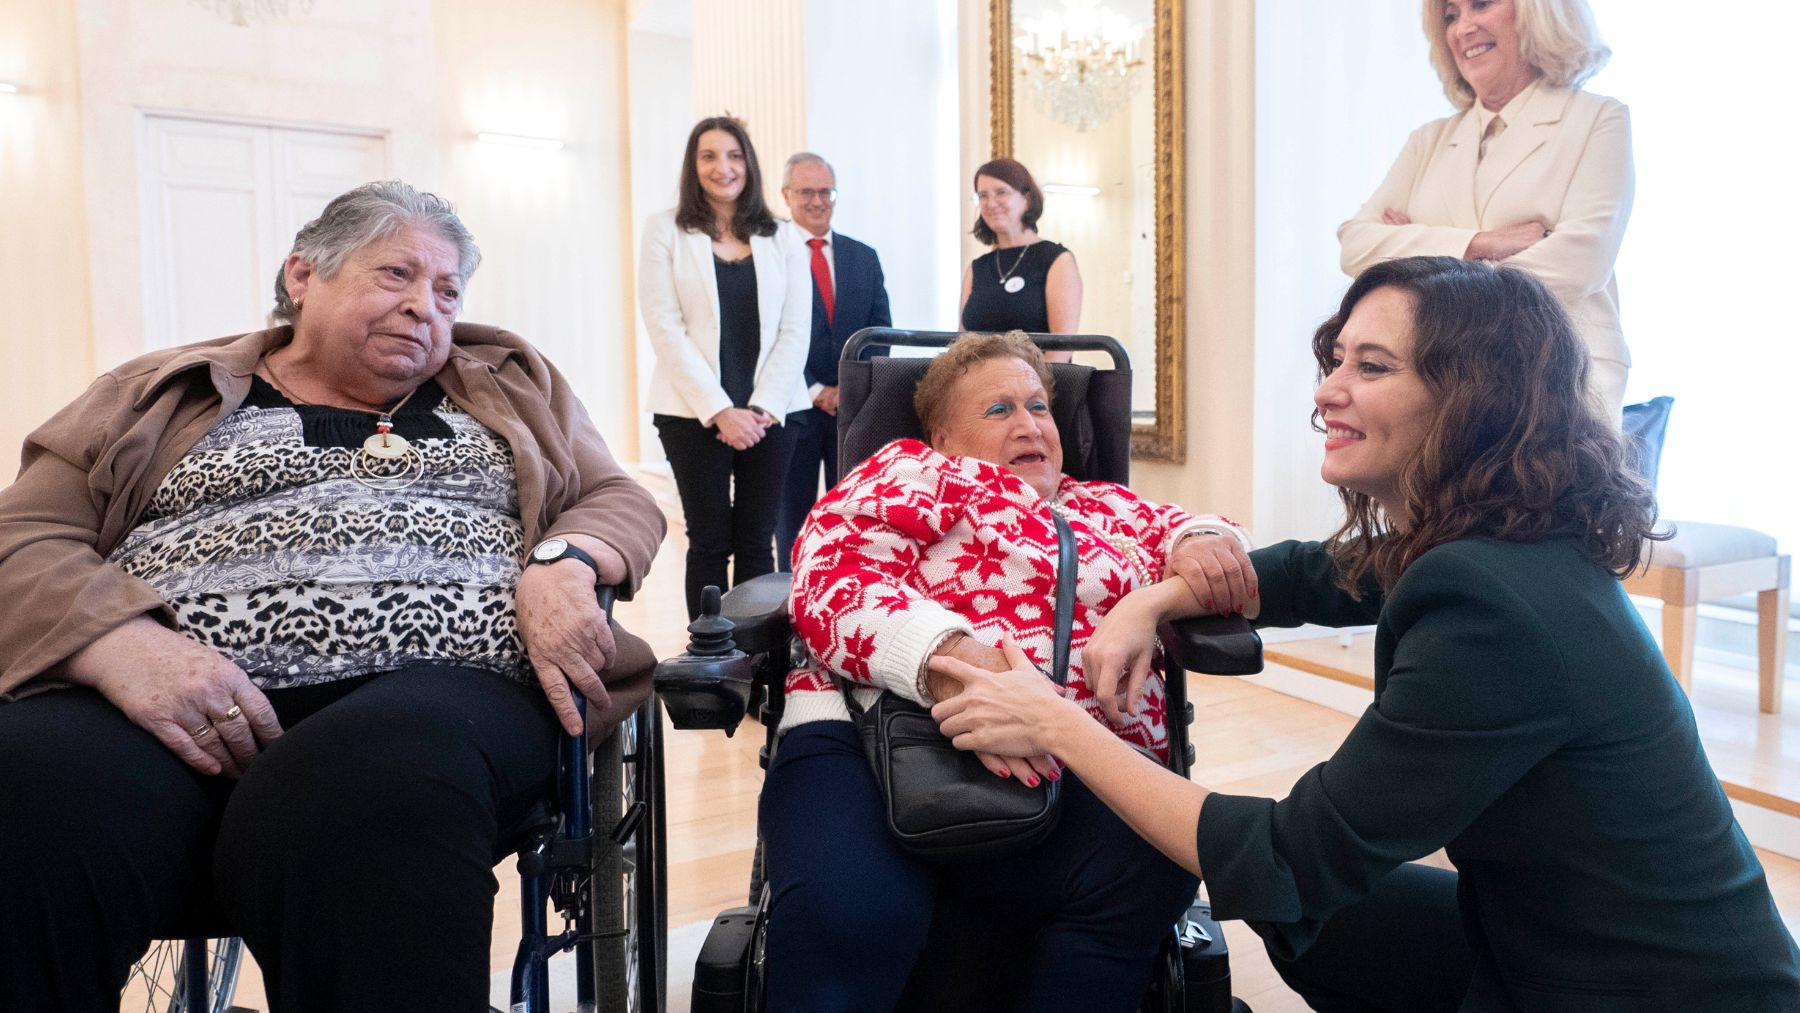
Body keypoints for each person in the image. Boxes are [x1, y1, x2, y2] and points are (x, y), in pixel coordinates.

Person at [931, 258, 1800, 1011]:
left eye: (1372, 365)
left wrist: (1056, 723)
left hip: (1647, 990)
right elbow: (1321, 570)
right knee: (1324, 927)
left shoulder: (1493, 603)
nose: (1327, 389)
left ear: (1472, 400)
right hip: (1547, 928)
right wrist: (1152, 598)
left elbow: (1285, 857)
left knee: (1293, 893)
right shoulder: (1499, 538)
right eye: (1336, 357)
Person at [0, 181, 666, 1012]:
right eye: (397, 275)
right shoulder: (156, 392)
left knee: (374, 779)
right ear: (303, 274)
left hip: (439, 699)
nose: (425, 307)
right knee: (25, 778)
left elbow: (619, 498)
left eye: (447, 291)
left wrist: (565, 560)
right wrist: (121, 645)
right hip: (161, 704)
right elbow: (21, 537)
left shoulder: (506, 384)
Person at [760, 330, 1252, 1012]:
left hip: (1066, 762)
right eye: (999, 410)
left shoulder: (1108, 508)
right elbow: (832, 576)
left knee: (1154, 867)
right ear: (940, 433)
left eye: (1038, 407)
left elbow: (1214, 539)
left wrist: (1197, 546)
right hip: (871, 739)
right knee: (854, 914)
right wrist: (964, 670)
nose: (1029, 424)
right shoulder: (909, 472)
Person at [1338, 0, 1633, 416]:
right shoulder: (1429, 140)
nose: (1463, 29)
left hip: (1559, 372)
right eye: (1451, 16)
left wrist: (1418, 259)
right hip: (1441, 374)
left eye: (1481, 5)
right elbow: (1355, 245)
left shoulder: (1597, 119)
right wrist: (1483, 243)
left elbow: (1582, 260)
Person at [640, 115, 811, 618]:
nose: (724, 167)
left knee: (759, 540)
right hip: (691, 413)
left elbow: (794, 329)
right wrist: (721, 411)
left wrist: (758, 408)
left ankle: (755, 661)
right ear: (694, 166)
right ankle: (708, 663)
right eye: (709, 156)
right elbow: (664, 327)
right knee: (710, 539)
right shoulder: (665, 230)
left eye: (734, 155)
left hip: (773, 414)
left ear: (749, 164)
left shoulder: (782, 236)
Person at [773, 152, 892, 571]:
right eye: (807, 191)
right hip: (793, 408)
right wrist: (813, 388)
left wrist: (848, 388)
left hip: (852, 412)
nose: (818, 201)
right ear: (786, 195)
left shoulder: (864, 257)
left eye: (826, 191)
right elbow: (769, 334)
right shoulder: (769, 256)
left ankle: (845, 589)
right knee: (792, 516)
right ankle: (789, 598)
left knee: (852, 512)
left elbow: (881, 332)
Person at [960, 158, 1082, 362]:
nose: (991, 203)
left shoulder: (1056, 260)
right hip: (981, 387)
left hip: (1038, 387)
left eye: (1001, 192)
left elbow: (1061, 348)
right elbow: (961, 343)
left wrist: (1035, 391)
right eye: (983, 195)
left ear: (1027, 199)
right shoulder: (977, 268)